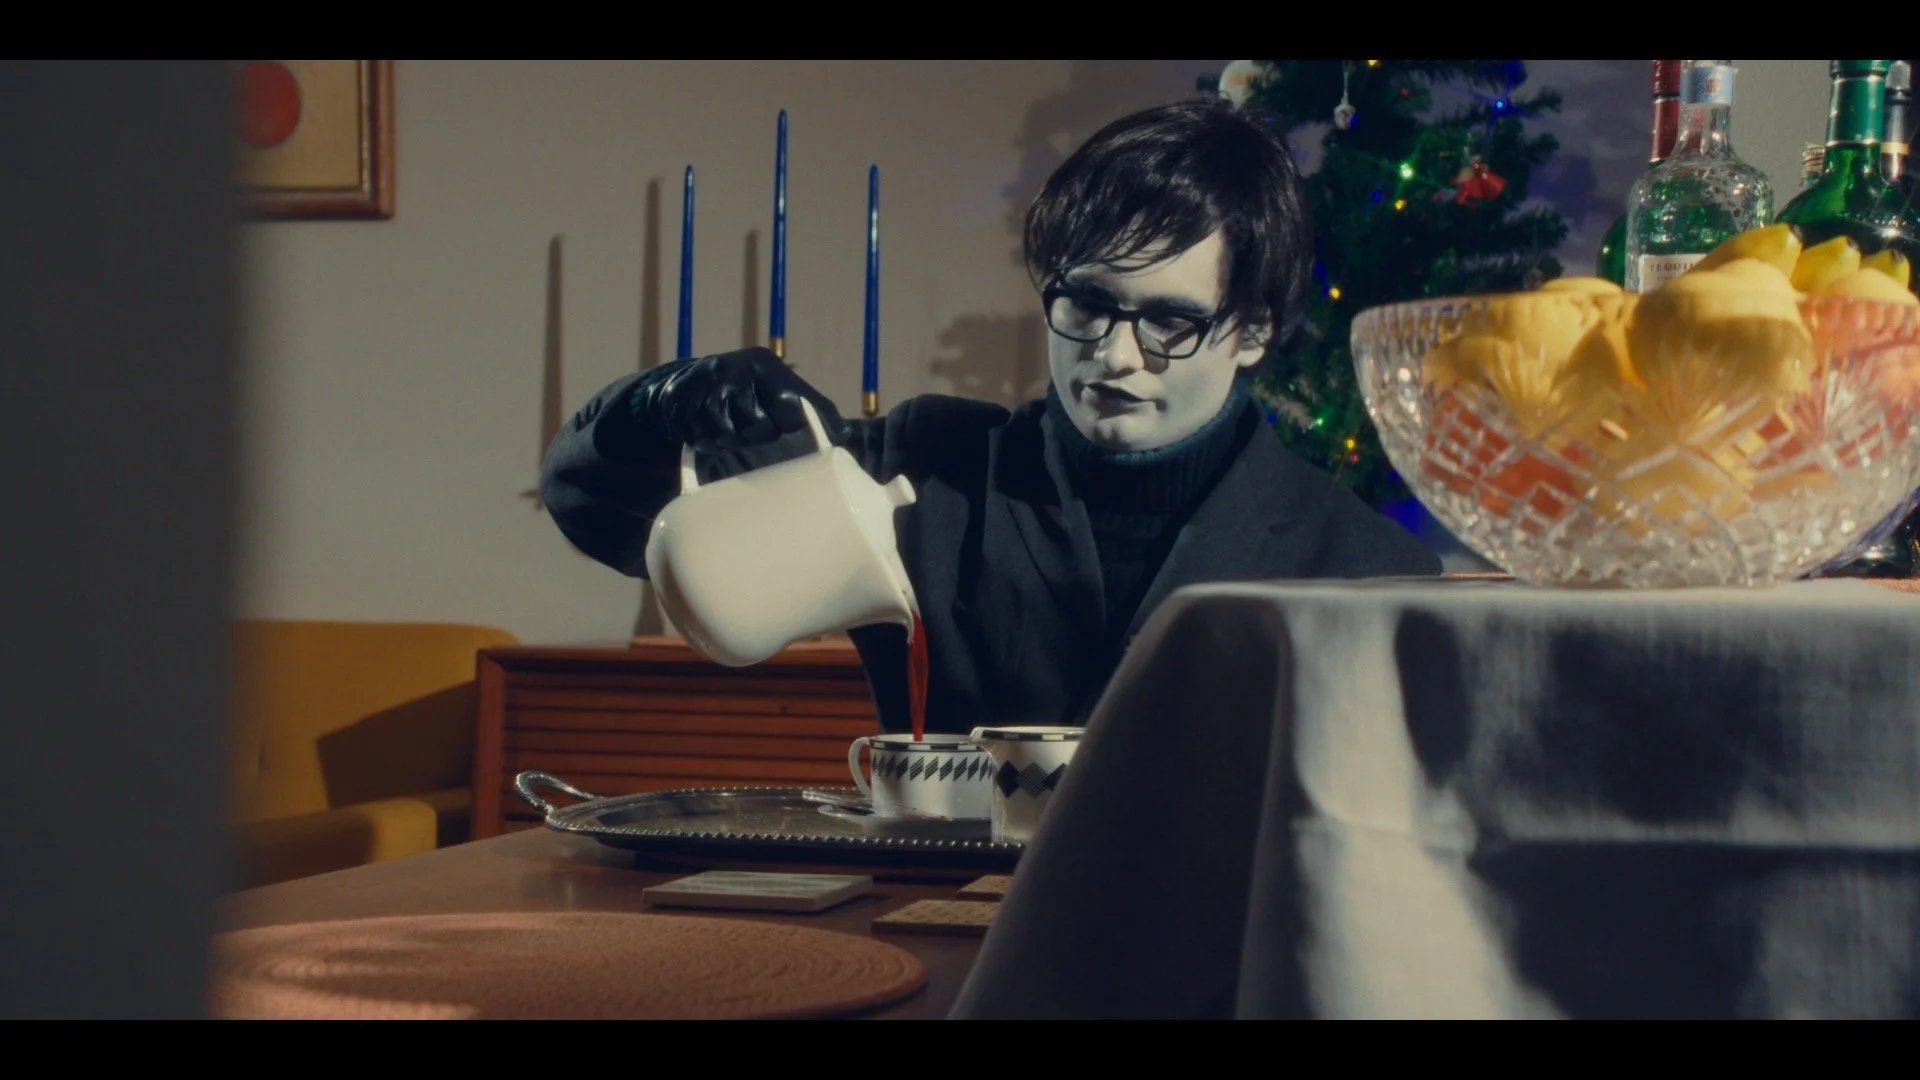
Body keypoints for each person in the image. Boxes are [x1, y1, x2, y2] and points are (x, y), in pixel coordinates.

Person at [540, 96, 1441, 735]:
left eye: (1169, 321)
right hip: (944, 940)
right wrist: (659, 406)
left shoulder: (1364, 566)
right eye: (1086, 303)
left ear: (1251, 331)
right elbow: (601, 513)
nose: (1116, 355)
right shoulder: (918, 468)